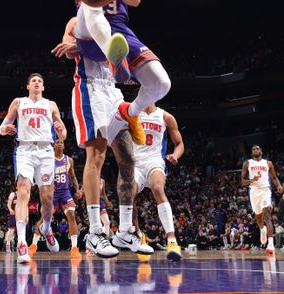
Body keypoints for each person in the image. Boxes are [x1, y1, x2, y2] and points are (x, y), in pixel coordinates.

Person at [52, 17, 153, 258]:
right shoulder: (77, 21)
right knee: (96, 156)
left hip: (113, 91)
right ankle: (95, 232)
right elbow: (68, 50)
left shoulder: (116, 24)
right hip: (89, 88)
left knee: (128, 159)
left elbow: (124, 65)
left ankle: (126, 231)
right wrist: (84, 47)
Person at [64, 0, 171, 140]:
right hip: (89, 31)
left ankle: (128, 112)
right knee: (91, 5)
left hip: (119, 30)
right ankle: (114, 58)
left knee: (161, 83)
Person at [0, 73, 67, 264]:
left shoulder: (51, 104)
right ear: (28, 86)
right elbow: (2, 127)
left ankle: (46, 227)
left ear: (43, 87)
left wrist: (61, 131)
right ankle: (21, 243)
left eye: (40, 81)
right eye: (33, 81)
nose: (37, 83)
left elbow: (63, 134)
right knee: (23, 192)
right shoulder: (19, 102)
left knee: (47, 199)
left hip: (46, 151)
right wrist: (6, 129)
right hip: (25, 150)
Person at [131, 103, 184, 261]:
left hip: (155, 161)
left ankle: (172, 241)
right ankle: (139, 237)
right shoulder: (132, 113)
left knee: (158, 189)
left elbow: (179, 144)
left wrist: (175, 155)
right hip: (135, 163)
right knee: (128, 194)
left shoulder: (166, 117)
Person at [31, 139, 84, 257]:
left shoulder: (69, 160)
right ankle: (33, 245)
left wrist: (77, 190)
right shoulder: (48, 160)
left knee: (71, 215)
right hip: (52, 193)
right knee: (44, 217)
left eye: (61, 142)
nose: (59, 144)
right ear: (53, 145)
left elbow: (73, 176)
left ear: (64, 146)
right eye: (57, 142)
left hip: (65, 193)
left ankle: (74, 248)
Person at [241, 145, 283, 255]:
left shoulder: (268, 163)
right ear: (252, 152)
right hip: (254, 191)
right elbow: (242, 181)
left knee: (267, 215)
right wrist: (251, 180)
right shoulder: (248, 163)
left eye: (257, 149)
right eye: (253, 149)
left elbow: (273, 177)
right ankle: (262, 229)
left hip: (265, 190)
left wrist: (278, 185)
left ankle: (270, 244)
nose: (255, 150)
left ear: (261, 151)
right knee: (259, 219)